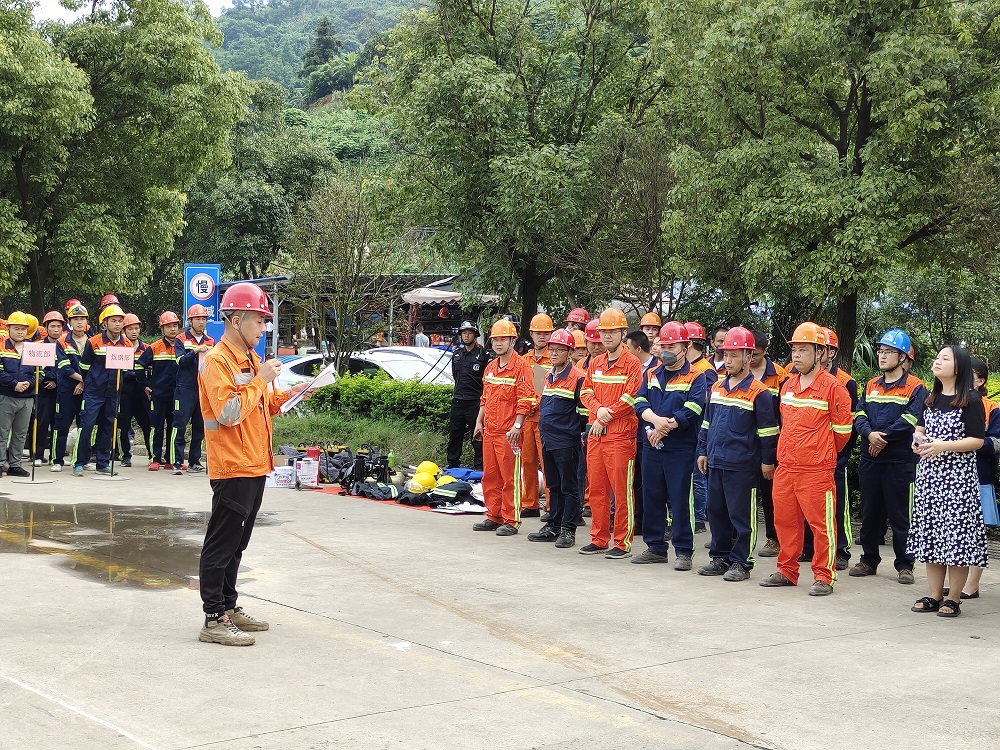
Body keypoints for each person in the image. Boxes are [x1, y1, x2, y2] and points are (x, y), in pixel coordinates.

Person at [198, 282, 307, 646]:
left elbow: (263, 404)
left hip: (254, 464)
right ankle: (213, 618)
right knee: (221, 544)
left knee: (237, 544)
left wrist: (293, 393)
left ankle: (228, 607)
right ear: (236, 319)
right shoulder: (217, 361)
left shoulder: (250, 359)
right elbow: (229, 413)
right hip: (232, 465)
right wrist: (261, 381)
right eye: (259, 320)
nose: (264, 327)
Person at [760, 322, 852, 596]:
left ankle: (824, 576)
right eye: (795, 350)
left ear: (820, 353)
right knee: (785, 522)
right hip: (787, 466)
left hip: (816, 470)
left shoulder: (834, 388)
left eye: (803, 350)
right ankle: (787, 570)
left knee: (822, 526)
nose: (796, 355)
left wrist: (818, 452)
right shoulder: (788, 385)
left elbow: (842, 433)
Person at [908, 346, 987, 618]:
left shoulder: (971, 399)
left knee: (957, 538)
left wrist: (943, 445)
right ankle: (934, 594)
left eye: (945, 358)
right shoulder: (930, 398)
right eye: (937, 358)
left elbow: (977, 440)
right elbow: (920, 429)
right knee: (932, 536)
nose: (937, 362)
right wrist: (917, 441)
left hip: (958, 480)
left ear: (959, 367)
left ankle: (953, 598)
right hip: (930, 478)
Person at [697, 327, 778, 580]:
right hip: (716, 461)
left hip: (743, 465)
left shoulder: (759, 392)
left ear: (748, 356)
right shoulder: (717, 387)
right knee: (716, 513)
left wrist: (767, 461)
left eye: (734, 355)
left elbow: (768, 432)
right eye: (726, 355)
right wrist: (702, 451)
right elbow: (707, 423)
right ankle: (720, 558)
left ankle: (742, 562)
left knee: (742, 517)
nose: (728, 360)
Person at [850, 329, 926, 584]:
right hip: (871, 459)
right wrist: (869, 434)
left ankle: (905, 565)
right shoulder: (872, 384)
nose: (882, 356)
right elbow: (859, 413)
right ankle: (868, 560)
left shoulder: (916, 386)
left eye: (889, 352)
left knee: (900, 515)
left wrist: (882, 439)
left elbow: (911, 419)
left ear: (903, 357)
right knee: (870, 512)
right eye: (881, 351)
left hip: (899, 461)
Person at [632, 321, 706, 568]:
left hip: (680, 448)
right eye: (663, 346)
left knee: (680, 499)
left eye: (671, 346)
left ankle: (684, 551)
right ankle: (655, 547)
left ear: (685, 347)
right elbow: (640, 401)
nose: (666, 351)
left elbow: (693, 408)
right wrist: (655, 422)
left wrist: (665, 427)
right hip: (652, 444)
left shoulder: (696, 376)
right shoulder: (652, 373)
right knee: (652, 496)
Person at [579, 308, 642, 559]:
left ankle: (622, 543)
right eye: (604, 331)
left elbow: (631, 397)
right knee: (597, 490)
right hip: (597, 435)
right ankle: (599, 538)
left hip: (620, 436)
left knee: (622, 492)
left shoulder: (632, 363)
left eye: (612, 332)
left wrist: (606, 414)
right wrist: (599, 410)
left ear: (623, 333)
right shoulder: (595, 362)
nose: (606, 336)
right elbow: (585, 392)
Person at [800, 328, 858, 570]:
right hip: (807, 458)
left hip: (834, 455)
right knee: (807, 504)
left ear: (829, 352)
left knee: (837, 504)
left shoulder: (844, 382)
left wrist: (837, 452)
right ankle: (808, 547)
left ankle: (841, 550)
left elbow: (847, 424)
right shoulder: (798, 378)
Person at [473, 319, 536, 536]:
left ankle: (511, 519)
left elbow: (526, 400)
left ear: (513, 341)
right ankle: (494, 515)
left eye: (503, 339)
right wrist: (479, 421)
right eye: (495, 340)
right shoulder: (491, 367)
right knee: (490, 476)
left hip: (509, 433)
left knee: (510, 478)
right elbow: (485, 398)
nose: (498, 343)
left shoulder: (521, 367)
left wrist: (517, 426)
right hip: (490, 430)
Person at [946, 356, 1000, 600]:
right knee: (954, 530)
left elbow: (996, 442)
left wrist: (968, 443)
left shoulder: (991, 408)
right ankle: (956, 585)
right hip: (953, 477)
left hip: (980, 476)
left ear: (980, 381)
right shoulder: (950, 401)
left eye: (970, 375)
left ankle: (972, 584)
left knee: (976, 532)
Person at [528, 329, 587, 548]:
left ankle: (568, 529)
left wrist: (575, 434)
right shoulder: (548, 376)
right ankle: (553, 525)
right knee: (553, 485)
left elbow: (583, 413)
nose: (553, 353)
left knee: (569, 486)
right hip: (548, 439)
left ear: (569, 353)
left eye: (559, 350)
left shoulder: (578, 378)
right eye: (551, 349)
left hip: (567, 441)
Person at [73, 305, 130, 477]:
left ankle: (103, 463)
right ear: (104, 323)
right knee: (86, 426)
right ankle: (79, 462)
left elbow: (127, 369)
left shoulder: (126, 344)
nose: (117, 324)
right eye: (113, 321)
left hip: (113, 393)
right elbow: (84, 367)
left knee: (108, 427)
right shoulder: (93, 342)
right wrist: (91, 382)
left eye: (120, 321)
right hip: (93, 392)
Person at [749, 329, 787, 557]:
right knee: (741, 494)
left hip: (771, 443)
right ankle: (735, 536)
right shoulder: (735, 372)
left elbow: (784, 412)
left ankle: (774, 539)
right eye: (748, 353)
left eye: (755, 354)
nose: (751, 358)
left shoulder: (780, 375)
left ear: (765, 351)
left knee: (772, 493)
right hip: (743, 443)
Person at [0, 312, 49, 477]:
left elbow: (41, 372)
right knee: (2, 432)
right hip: (6, 396)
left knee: (20, 433)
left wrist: (30, 383)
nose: (20, 332)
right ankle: (1, 463)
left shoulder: (33, 349)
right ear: (8, 329)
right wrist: (14, 384)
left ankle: (15, 465)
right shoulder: (1, 346)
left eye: (23, 329)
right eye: (16, 328)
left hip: (27, 397)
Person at [172, 304, 214, 475]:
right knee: (180, 425)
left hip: (202, 389)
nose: (201, 322)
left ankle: (194, 461)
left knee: (199, 427)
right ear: (190, 321)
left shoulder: (210, 341)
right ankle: (177, 461)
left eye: (203, 319)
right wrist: (195, 351)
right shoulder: (181, 339)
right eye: (198, 319)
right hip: (185, 388)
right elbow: (179, 361)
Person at [684, 321, 717, 534]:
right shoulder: (689, 366)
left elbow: (708, 399)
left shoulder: (705, 369)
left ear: (688, 344)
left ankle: (698, 519)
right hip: (688, 427)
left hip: (699, 426)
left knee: (698, 476)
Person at [139, 311, 181, 471]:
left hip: (176, 395)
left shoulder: (182, 346)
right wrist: (145, 385)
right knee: (155, 427)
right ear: (162, 329)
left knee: (173, 427)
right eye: (168, 326)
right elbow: (139, 366)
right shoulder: (154, 347)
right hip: (157, 395)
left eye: (175, 325)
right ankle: (155, 458)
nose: (172, 329)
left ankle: (171, 459)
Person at [522, 313, 554, 517]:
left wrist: (536, 402)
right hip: (527, 418)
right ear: (531, 334)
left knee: (548, 462)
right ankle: (530, 503)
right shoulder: (525, 359)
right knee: (527, 462)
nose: (542, 336)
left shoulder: (555, 358)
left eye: (546, 333)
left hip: (546, 418)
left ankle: (551, 505)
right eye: (538, 333)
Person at [626, 330, 657, 531]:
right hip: (633, 431)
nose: (625, 352)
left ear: (638, 349)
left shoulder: (657, 369)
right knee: (636, 479)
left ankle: (657, 522)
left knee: (652, 480)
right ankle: (638, 520)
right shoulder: (631, 367)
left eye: (628, 348)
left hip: (653, 432)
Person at [51, 304, 88, 471]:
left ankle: (83, 460)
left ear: (87, 322)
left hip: (87, 390)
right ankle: (57, 460)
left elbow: (96, 366)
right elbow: (64, 367)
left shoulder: (93, 341)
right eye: (76, 319)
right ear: (69, 322)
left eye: (82, 319)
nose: (79, 322)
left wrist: (83, 383)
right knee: (61, 425)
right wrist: (83, 380)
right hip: (66, 389)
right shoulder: (62, 342)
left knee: (85, 425)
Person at [447, 320, 487, 470]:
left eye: (470, 333)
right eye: (464, 333)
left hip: (475, 402)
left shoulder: (483, 354)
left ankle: (480, 467)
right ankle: (452, 464)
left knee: (477, 436)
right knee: (455, 434)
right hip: (458, 400)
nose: (467, 336)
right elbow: (455, 375)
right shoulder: (456, 353)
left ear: (475, 335)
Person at [118, 313, 151, 468]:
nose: (134, 332)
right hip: (124, 393)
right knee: (123, 426)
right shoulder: (119, 348)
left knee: (148, 424)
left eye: (136, 328)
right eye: (130, 329)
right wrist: (132, 374)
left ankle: (153, 455)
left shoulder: (147, 349)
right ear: (124, 330)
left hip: (142, 393)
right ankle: (125, 456)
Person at [31, 311, 64, 464]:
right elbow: (36, 367)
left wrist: (56, 381)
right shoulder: (39, 346)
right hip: (43, 390)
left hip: (62, 390)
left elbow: (66, 367)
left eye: (59, 326)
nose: (56, 330)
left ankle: (55, 456)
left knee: (58, 424)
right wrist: (48, 379)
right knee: (41, 422)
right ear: (46, 328)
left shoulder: (65, 345)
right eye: (52, 326)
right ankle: (37, 455)